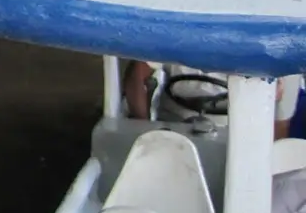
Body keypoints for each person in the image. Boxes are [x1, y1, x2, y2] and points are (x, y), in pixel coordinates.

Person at [124, 60, 302, 139]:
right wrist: (143, 125)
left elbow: (279, 127)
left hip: (235, 139)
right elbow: (137, 77)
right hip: (170, 130)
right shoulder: (180, 30)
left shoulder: (271, 55)